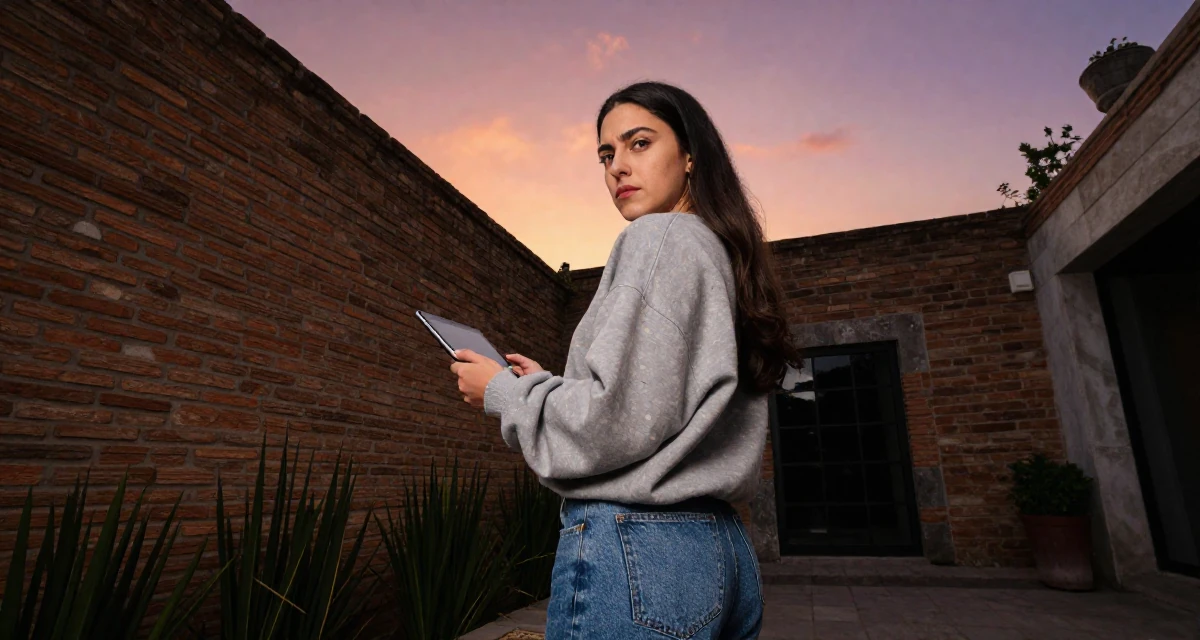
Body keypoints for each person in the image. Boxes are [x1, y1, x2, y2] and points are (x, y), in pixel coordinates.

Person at [450, 81, 799, 639]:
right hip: (722, 550)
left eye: (639, 143)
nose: (617, 168)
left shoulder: (658, 239)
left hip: (642, 548)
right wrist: (551, 384)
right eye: (606, 154)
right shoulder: (723, 257)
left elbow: (612, 424)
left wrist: (505, 394)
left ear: (690, 156)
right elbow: (656, 403)